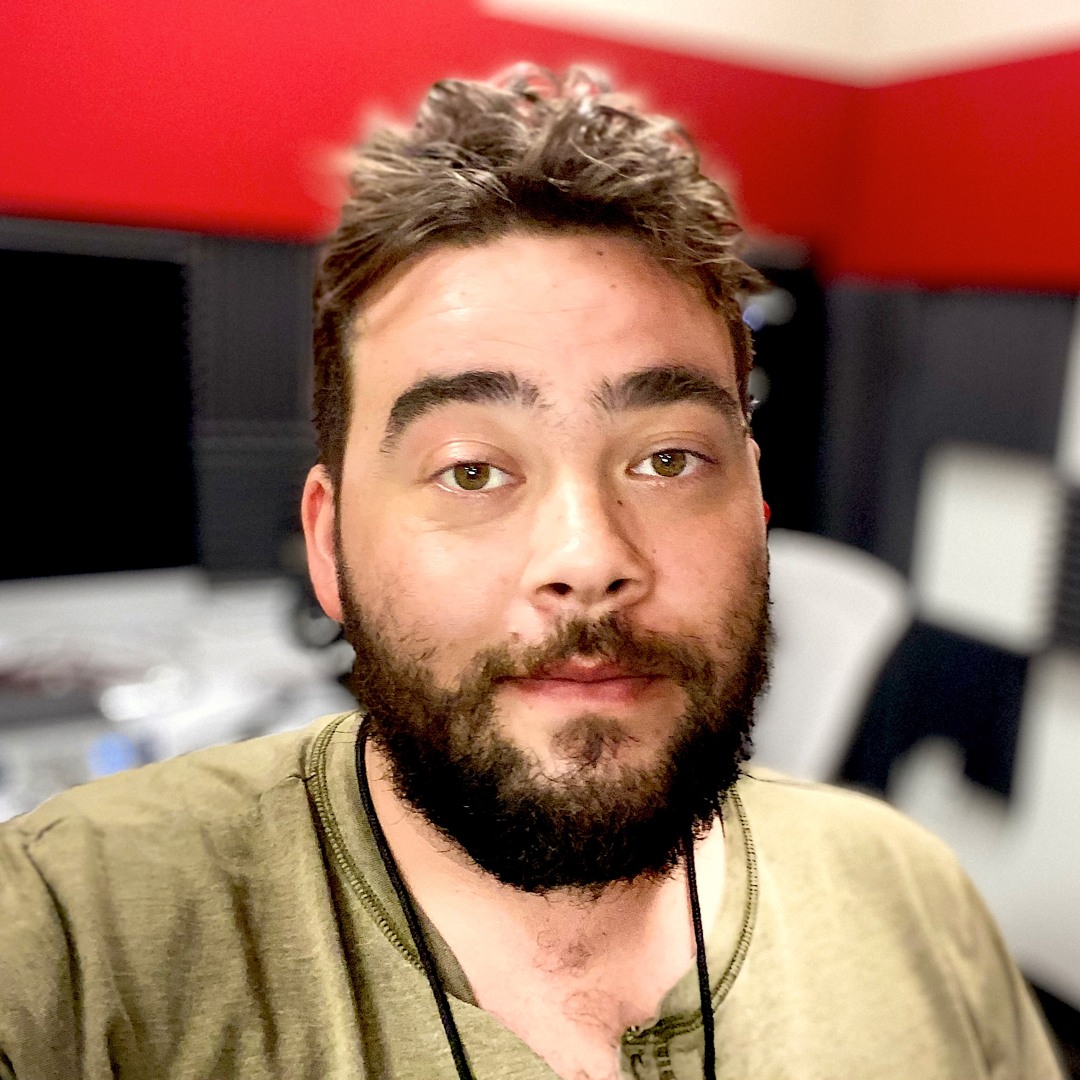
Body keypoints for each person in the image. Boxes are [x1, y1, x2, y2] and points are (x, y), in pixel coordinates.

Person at [0, 65, 1064, 1080]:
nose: (589, 559)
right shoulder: (66, 938)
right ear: (329, 548)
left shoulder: (915, 903)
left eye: (668, 459)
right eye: (471, 469)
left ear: (756, 517)